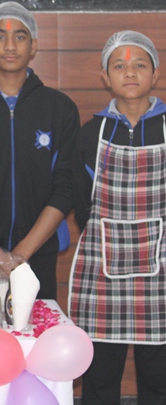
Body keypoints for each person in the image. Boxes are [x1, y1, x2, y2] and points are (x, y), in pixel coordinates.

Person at [0, 1, 80, 300]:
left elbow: (66, 188)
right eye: (0, 36)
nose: (10, 45)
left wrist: (21, 254)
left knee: (37, 329)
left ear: (33, 45)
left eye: (20, 36)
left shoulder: (59, 109)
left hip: (38, 256)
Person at [70, 31, 166, 405]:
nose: (130, 72)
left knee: (159, 379)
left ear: (155, 74)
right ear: (105, 76)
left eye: (140, 64)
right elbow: (83, 203)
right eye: (119, 65)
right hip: (103, 268)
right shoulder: (91, 133)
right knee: (100, 378)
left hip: (162, 270)